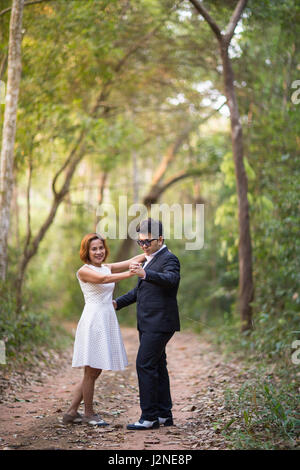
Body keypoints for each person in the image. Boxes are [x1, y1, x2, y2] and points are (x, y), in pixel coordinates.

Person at [63, 233, 145, 426]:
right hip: (94, 321)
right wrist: (131, 273)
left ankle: (71, 411)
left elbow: (130, 260)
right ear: (87, 252)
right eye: (94, 249)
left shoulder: (106, 266)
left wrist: (150, 251)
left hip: (106, 319)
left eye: (101, 248)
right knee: (91, 371)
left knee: (94, 371)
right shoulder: (84, 270)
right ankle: (89, 413)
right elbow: (103, 280)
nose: (98, 252)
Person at [113, 218, 180, 430]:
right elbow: (139, 291)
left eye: (147, 242)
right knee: (158, 365)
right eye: (140, 242)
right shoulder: (149, 259)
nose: (143, 246)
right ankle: (163, 415)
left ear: (160, 239)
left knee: (144, 364)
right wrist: (116, 303)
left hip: (160, 323)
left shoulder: (170, 258)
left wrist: (145, 273)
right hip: (147, 323)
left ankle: (148, 417)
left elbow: (171, 280)